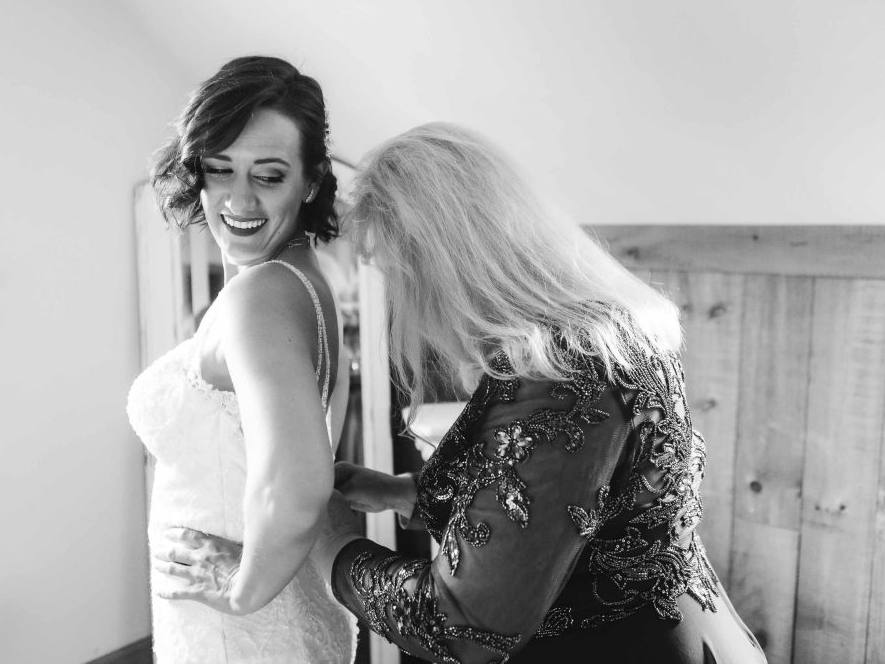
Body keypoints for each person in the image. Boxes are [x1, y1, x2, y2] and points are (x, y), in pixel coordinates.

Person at [312, 122, 769, 663]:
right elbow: (570, 510)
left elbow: (462, 626)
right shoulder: (604, 329)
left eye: (400, 278)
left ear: (444, 265)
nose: (403, 304)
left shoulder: (561, 376)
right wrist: (404, 492)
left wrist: (336, 548)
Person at [126, 56, 356, 663]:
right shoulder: (300, 282)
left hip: (243, 637)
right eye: (221, 168)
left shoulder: (261, 296)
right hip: (281, 616)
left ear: (310, 182)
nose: (240, 197)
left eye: (270, 175)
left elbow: (300, 484)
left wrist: (241, 594)